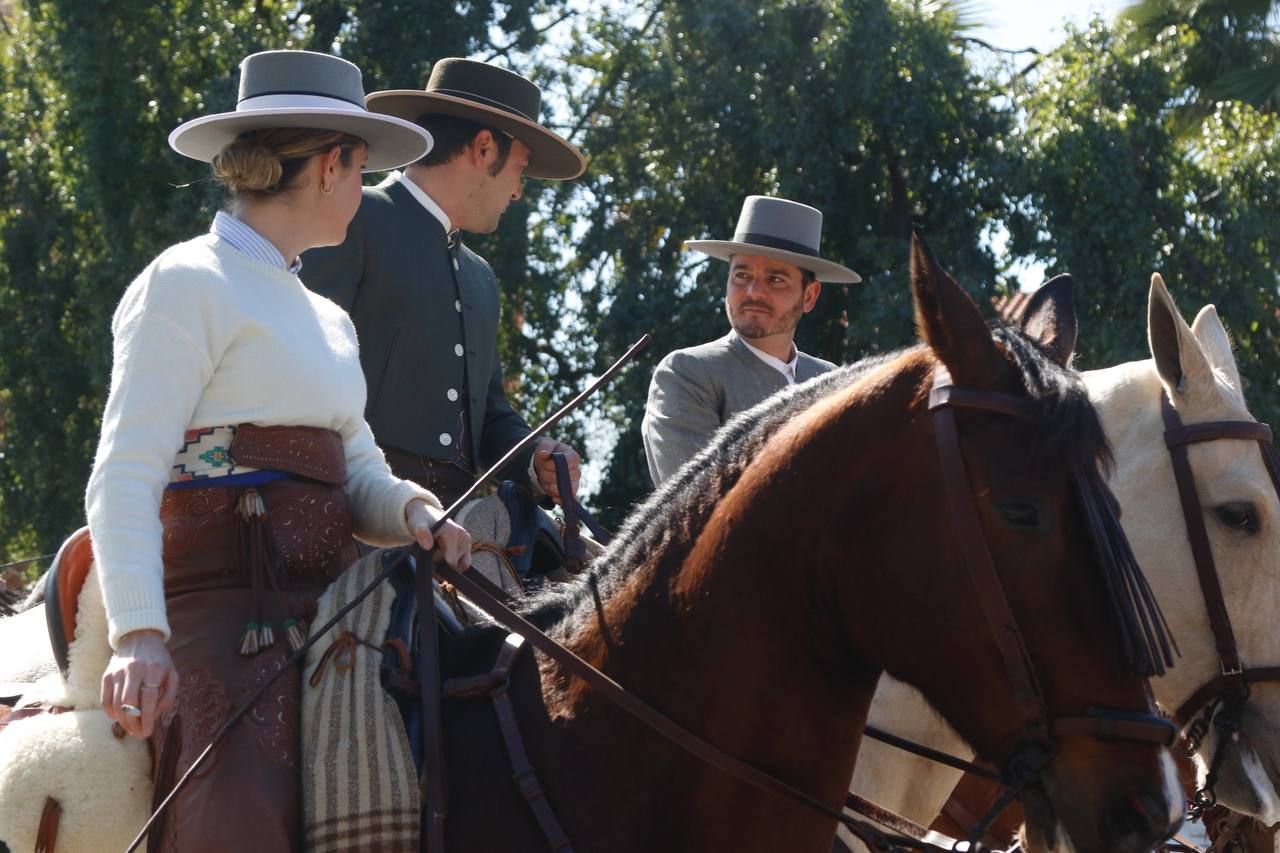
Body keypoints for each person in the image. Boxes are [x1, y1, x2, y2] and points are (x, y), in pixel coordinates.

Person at [86, 50, 471, 851]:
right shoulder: (183, 281)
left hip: (339, 619)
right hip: (218, 622)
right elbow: (125, 472)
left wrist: (413, 507)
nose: (364, 194)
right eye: (362, 171)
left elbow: (358, 463)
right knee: (240, 818)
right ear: (333, 166)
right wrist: (139, 636)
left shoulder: (331, 319)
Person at [300, 58, 587, 508]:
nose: (518, 192)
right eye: (521, 169)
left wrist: (536, 459)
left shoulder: (481, 277)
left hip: (452, 530)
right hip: (349, 513)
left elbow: (489, 416)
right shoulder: (352, 217)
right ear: (485, 148)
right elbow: (301, 372)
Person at [641, 195, 861, 486]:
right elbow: (696, 509)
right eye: (742, 275)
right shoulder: (688, 372)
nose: (753, 292)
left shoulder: (834, 383)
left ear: (809, 296)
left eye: (776, 279)